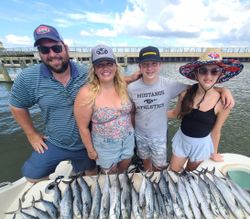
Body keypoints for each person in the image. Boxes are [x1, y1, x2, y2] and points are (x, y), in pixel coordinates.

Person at [9, 24, 138, 182]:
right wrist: (32, 134)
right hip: (56, 142)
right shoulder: (28, 78)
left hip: (84, 145)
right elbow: (17, 105)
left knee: (91, 176)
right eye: (44, 50)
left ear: (65, 48)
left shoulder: (84, 73)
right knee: (31, 176)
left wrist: (134, 78)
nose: (52, 54)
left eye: (56, 48)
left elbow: (108, 79)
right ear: (39, 53)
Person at [127, 46, 235, 172]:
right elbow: (131, 109)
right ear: (140, 66)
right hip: (143, 135)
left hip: (163, 137)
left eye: (215, 71)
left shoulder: (169, 85)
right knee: (150, 162)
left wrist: (224, 90)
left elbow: (200, 87)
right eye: (145, 64)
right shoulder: (132, 88)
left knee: (165, 167)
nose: (149, 68)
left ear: (160, 65)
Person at [168, 48, 243, 172]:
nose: (208, 76)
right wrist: (155, 113)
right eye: (203, 71)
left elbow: (216, 131)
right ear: (196, 74)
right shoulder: (185, 94)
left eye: (215, 71)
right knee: (173, 171)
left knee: (190, 174)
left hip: (201, 145)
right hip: (182, 140)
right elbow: (176, 114)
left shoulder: (222, 103)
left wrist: (214, 153)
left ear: (220, 75)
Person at [74, 44, 134, 174]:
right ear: (94, 69)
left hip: (128, 138)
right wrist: (90, 150)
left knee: (125, 166)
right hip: (105, 145)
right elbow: (83, 127)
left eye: (109, 64)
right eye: (100, 65)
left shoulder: (123, 85)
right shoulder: (86, 93)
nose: (105, 68)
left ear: (115, 66)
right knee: (110, 174)